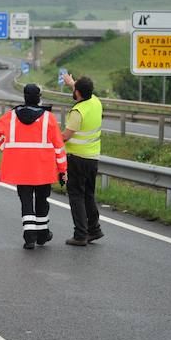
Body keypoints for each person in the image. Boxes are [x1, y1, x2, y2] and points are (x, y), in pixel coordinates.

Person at [0, 84, 67, 249]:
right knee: (42, 200)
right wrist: (63, 170)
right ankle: (42, 234)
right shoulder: (48, 118)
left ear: (24, 97)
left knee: (26, 201)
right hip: (43, 169)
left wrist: (8, 149)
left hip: (20, 168)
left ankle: (30, 237)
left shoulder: (10, 116)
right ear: (39, 98)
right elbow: (59, 147)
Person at [61, 73, 103, 246]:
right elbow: (83, 92)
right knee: (88, 194)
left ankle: (80, 235)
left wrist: (47, 136)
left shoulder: (77, 112)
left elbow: (65, 136)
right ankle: (94, 230)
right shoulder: (95, 102)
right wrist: (72, 83)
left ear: (78, 93)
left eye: (74, 88)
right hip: (92, 158)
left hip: (77, 159)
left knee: (76, 195)